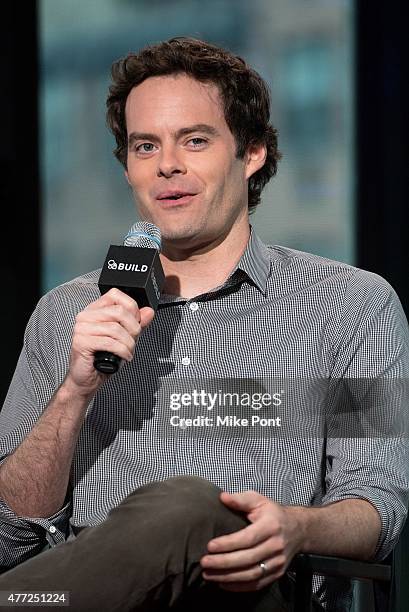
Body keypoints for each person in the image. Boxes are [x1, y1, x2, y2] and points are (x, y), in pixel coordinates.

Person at [0, 36, 408, 611]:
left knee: (189, 505)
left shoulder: (353, 305)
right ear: (127, 168)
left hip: (253, 585)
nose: (168, 164)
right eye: (145, 146)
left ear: (252, 153)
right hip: (91, 593)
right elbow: (6, 534)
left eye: (195, 140)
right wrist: (74, 393)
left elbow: (378, 507)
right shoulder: (67, 314)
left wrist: (295, 528)